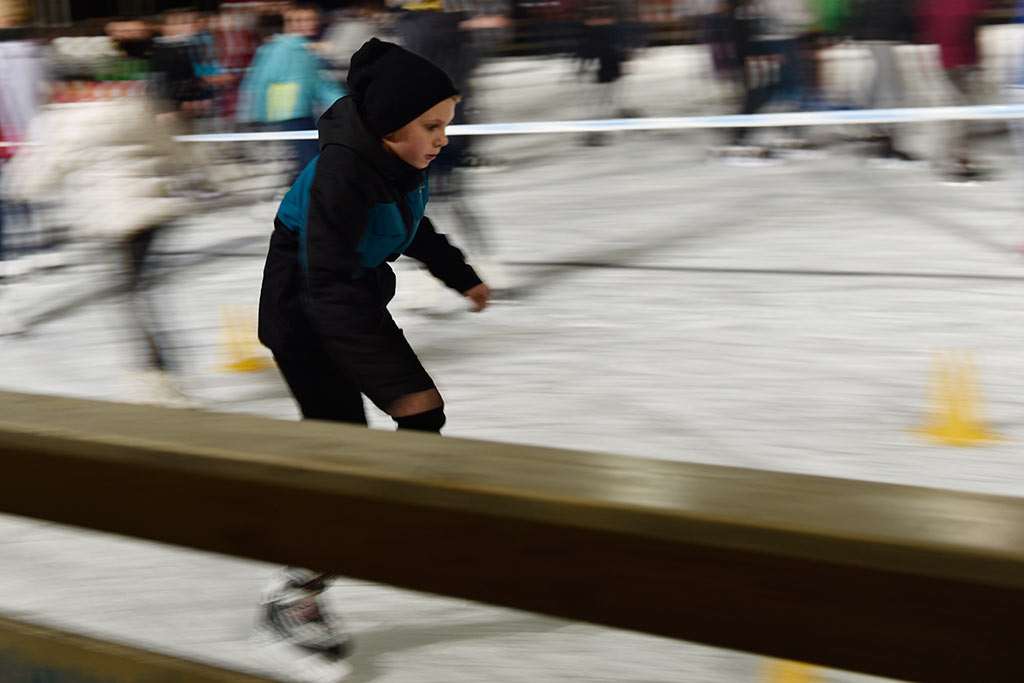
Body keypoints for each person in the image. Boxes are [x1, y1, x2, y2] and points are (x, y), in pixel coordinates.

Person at [254, 37, 490, 667]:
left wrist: (460, 275)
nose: (443, 137)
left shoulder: (396, 162)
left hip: (345, 299)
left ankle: (373, 525)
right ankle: (299, 587)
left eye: (447, 123)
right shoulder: (341, 173)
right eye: (432, 125)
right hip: (306, 312)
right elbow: (323, 281)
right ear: (389, 126)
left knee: (411, 418)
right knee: (373, 434)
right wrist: (389, 372)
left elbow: (413, 226)